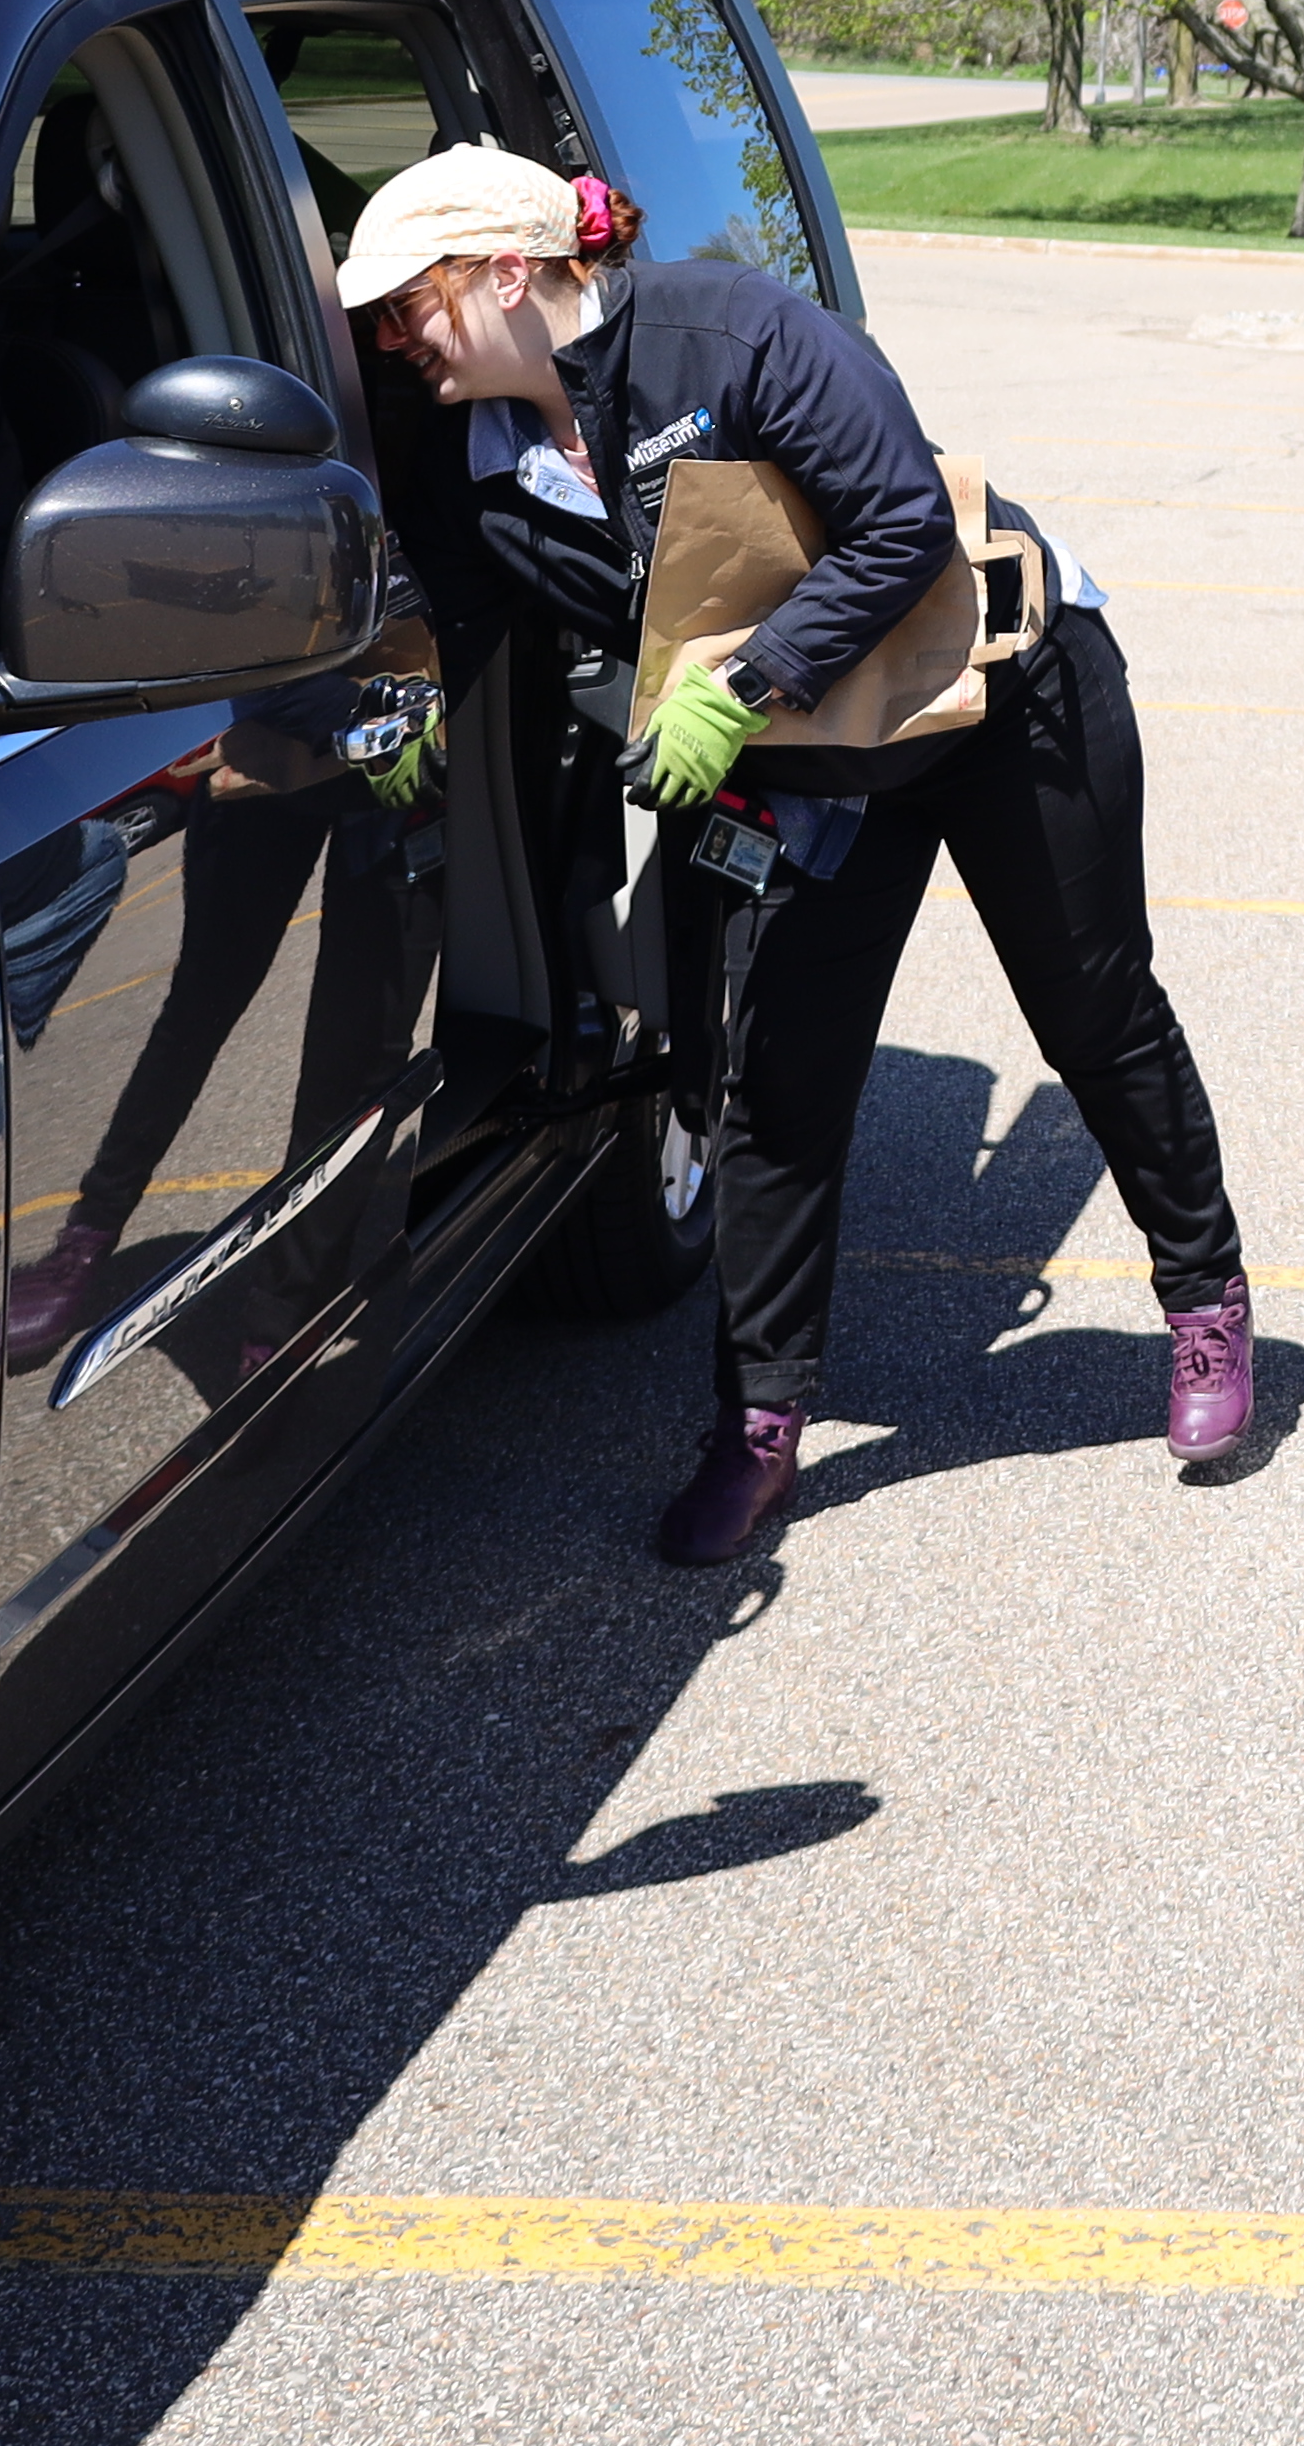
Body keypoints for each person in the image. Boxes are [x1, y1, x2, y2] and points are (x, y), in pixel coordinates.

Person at [339, 141, 1253, 1563]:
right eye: (382, 322)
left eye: (409, 307)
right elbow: (457, 612)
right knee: (778, 1079)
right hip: (820, 761)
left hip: (1005, 695)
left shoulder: (739, 334)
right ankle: (759, 1428)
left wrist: (737, 687)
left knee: (1091, 1011)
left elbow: (902, 529)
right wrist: (401, 704)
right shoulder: (480, 466)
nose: (395, 344)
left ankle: (1205, 1306)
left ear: (507, 272)